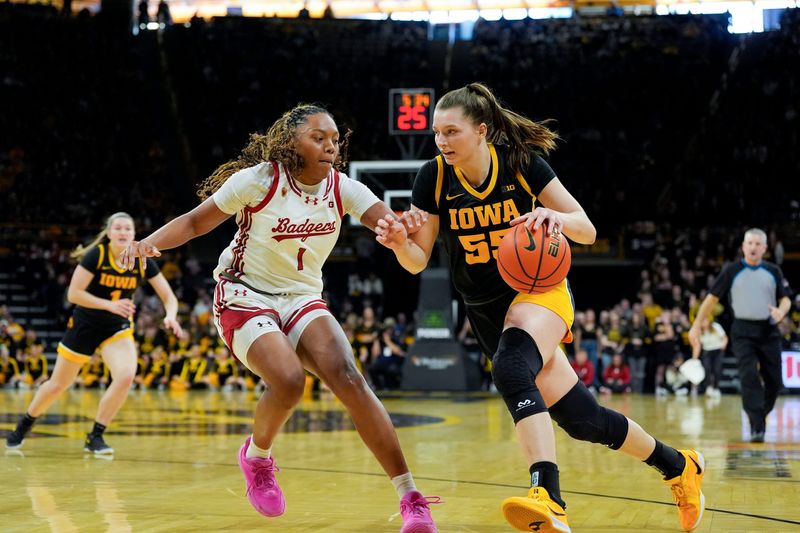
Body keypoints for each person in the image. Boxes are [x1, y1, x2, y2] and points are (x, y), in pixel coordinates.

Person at [376, 83, 705, 533]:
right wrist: (400, 243)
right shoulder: (432, 177)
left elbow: (586, 229)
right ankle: (679, 465)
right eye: (437, 132)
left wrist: (556, 218)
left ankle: (548, 496)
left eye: (451, 132)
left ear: (482, 130)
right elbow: (417, 261)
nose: (441, 141)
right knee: (583, 420)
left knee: (511, 368)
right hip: (485, 310)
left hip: (539, 293)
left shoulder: (522, 164)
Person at [121, 104, 438, 533]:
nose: (330, 147)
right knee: (289, 381)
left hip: (301, 296)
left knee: (349, 377)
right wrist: (148, 243)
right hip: (243, 292)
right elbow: (195, 222)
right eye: (318, 138)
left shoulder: (344, 188)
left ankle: (411, 498)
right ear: (292, 143)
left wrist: (402, 232)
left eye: (334, 139)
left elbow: (398, 234)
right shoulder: (259, 181)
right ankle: (257, 457)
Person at [5, 212, 184, 454]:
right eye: (118, 228)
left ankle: (96, 435)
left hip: (116, 328)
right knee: (58, 384)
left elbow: (169, 297)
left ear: (134, 234)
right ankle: (24, 424)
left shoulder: (141, 259)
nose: (123, 232)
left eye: (128, 228)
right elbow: (74, 294)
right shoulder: (97, 255)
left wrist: (170, 315)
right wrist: (109, 305)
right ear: (109, 233)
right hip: (86, 324)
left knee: (126, 376)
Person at [689, 228, 792, 443]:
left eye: (757, 244)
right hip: (742, 331)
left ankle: (758, 415)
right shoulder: (731, 270)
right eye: (749, 243)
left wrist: (781, 312)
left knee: (775, 382)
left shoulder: (773, 271)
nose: (753, 247)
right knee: (748, 376)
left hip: (768, 329)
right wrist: (696, 325)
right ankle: (756, 425)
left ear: (764, 248)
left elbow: (786, 299)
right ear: (743, 246)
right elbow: (711, 299)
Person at [692, 317, 727, 398]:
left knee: (717, 369)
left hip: (717, 350)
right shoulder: (699, 331)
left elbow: (724, 338)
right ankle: (708, 387)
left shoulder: (716, 326)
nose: (704, 322)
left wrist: (723, 346)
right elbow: (697, 345)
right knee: (707, 369)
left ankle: (716, 388)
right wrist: (694, 358)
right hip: (707, 351)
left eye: (705, 320)